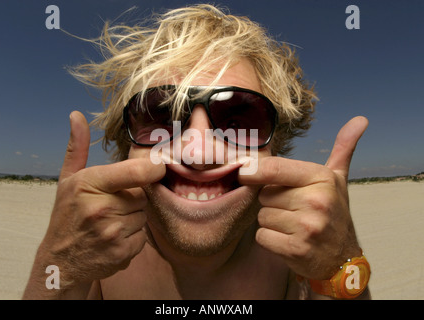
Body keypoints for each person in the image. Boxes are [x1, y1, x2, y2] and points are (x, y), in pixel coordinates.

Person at [23, 4, 370, 300]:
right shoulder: (94, 257)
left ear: (275, 147)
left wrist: (339, 262)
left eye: (239, 120)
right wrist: (59, 269)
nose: (199, 152)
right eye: (161, 116)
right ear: (124, 144)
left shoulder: (299, 258)